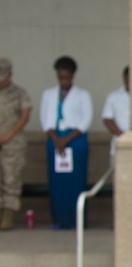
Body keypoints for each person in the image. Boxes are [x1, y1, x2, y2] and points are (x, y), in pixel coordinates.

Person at [39, 56, 93, 229]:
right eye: (61, 77)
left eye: (67, 77)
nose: (64, 80)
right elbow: (44, 119)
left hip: (75, 141)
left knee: (75, 183)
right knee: (57, 184)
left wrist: (65, 140)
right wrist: (56, 140)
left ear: (73, 75)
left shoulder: (82, 95)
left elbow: (85, 120)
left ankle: (76, 221)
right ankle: (59, 220)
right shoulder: (48, 94)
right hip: (54, 141)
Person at [0, 58, 32, 231]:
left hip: (12, 143)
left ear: (10, 75)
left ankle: (7, 216)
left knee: (10, 178)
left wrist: (7, 135)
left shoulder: (20, 93)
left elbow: (25, 116)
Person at [102, 66, 130, 163]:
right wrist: (122, 135)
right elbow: (107, 119)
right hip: (119, 144)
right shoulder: (113, 97)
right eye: (127, 79)